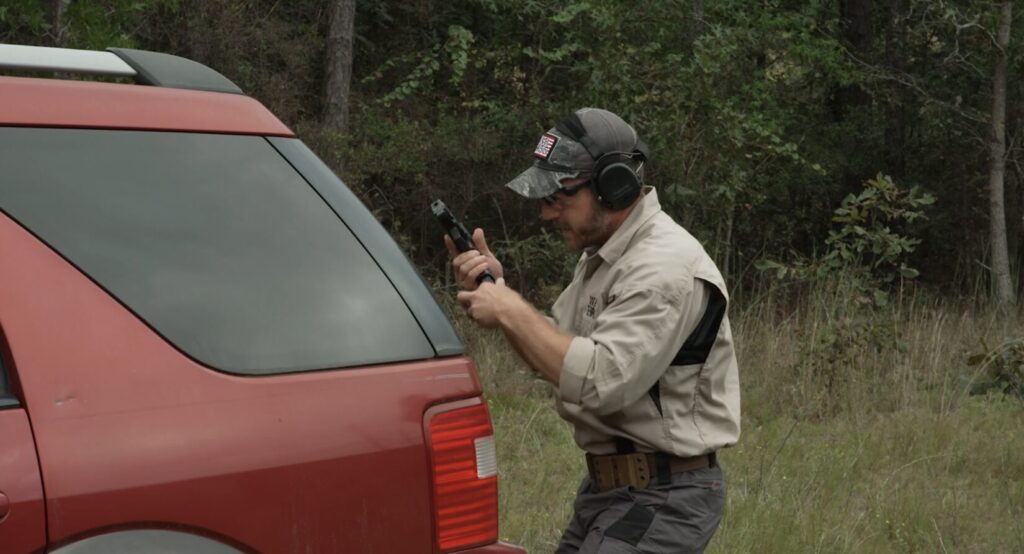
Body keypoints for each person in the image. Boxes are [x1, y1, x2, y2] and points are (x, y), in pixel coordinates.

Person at [447, 108, 740, 553]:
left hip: (664, 494)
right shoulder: (607, 256)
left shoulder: (663, 268)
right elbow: (563, 359)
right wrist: (500, 294)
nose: (547, 213)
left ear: (613, 186)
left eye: (558, 196)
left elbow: (601, 381)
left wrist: (509, 310)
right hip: (613, 489)